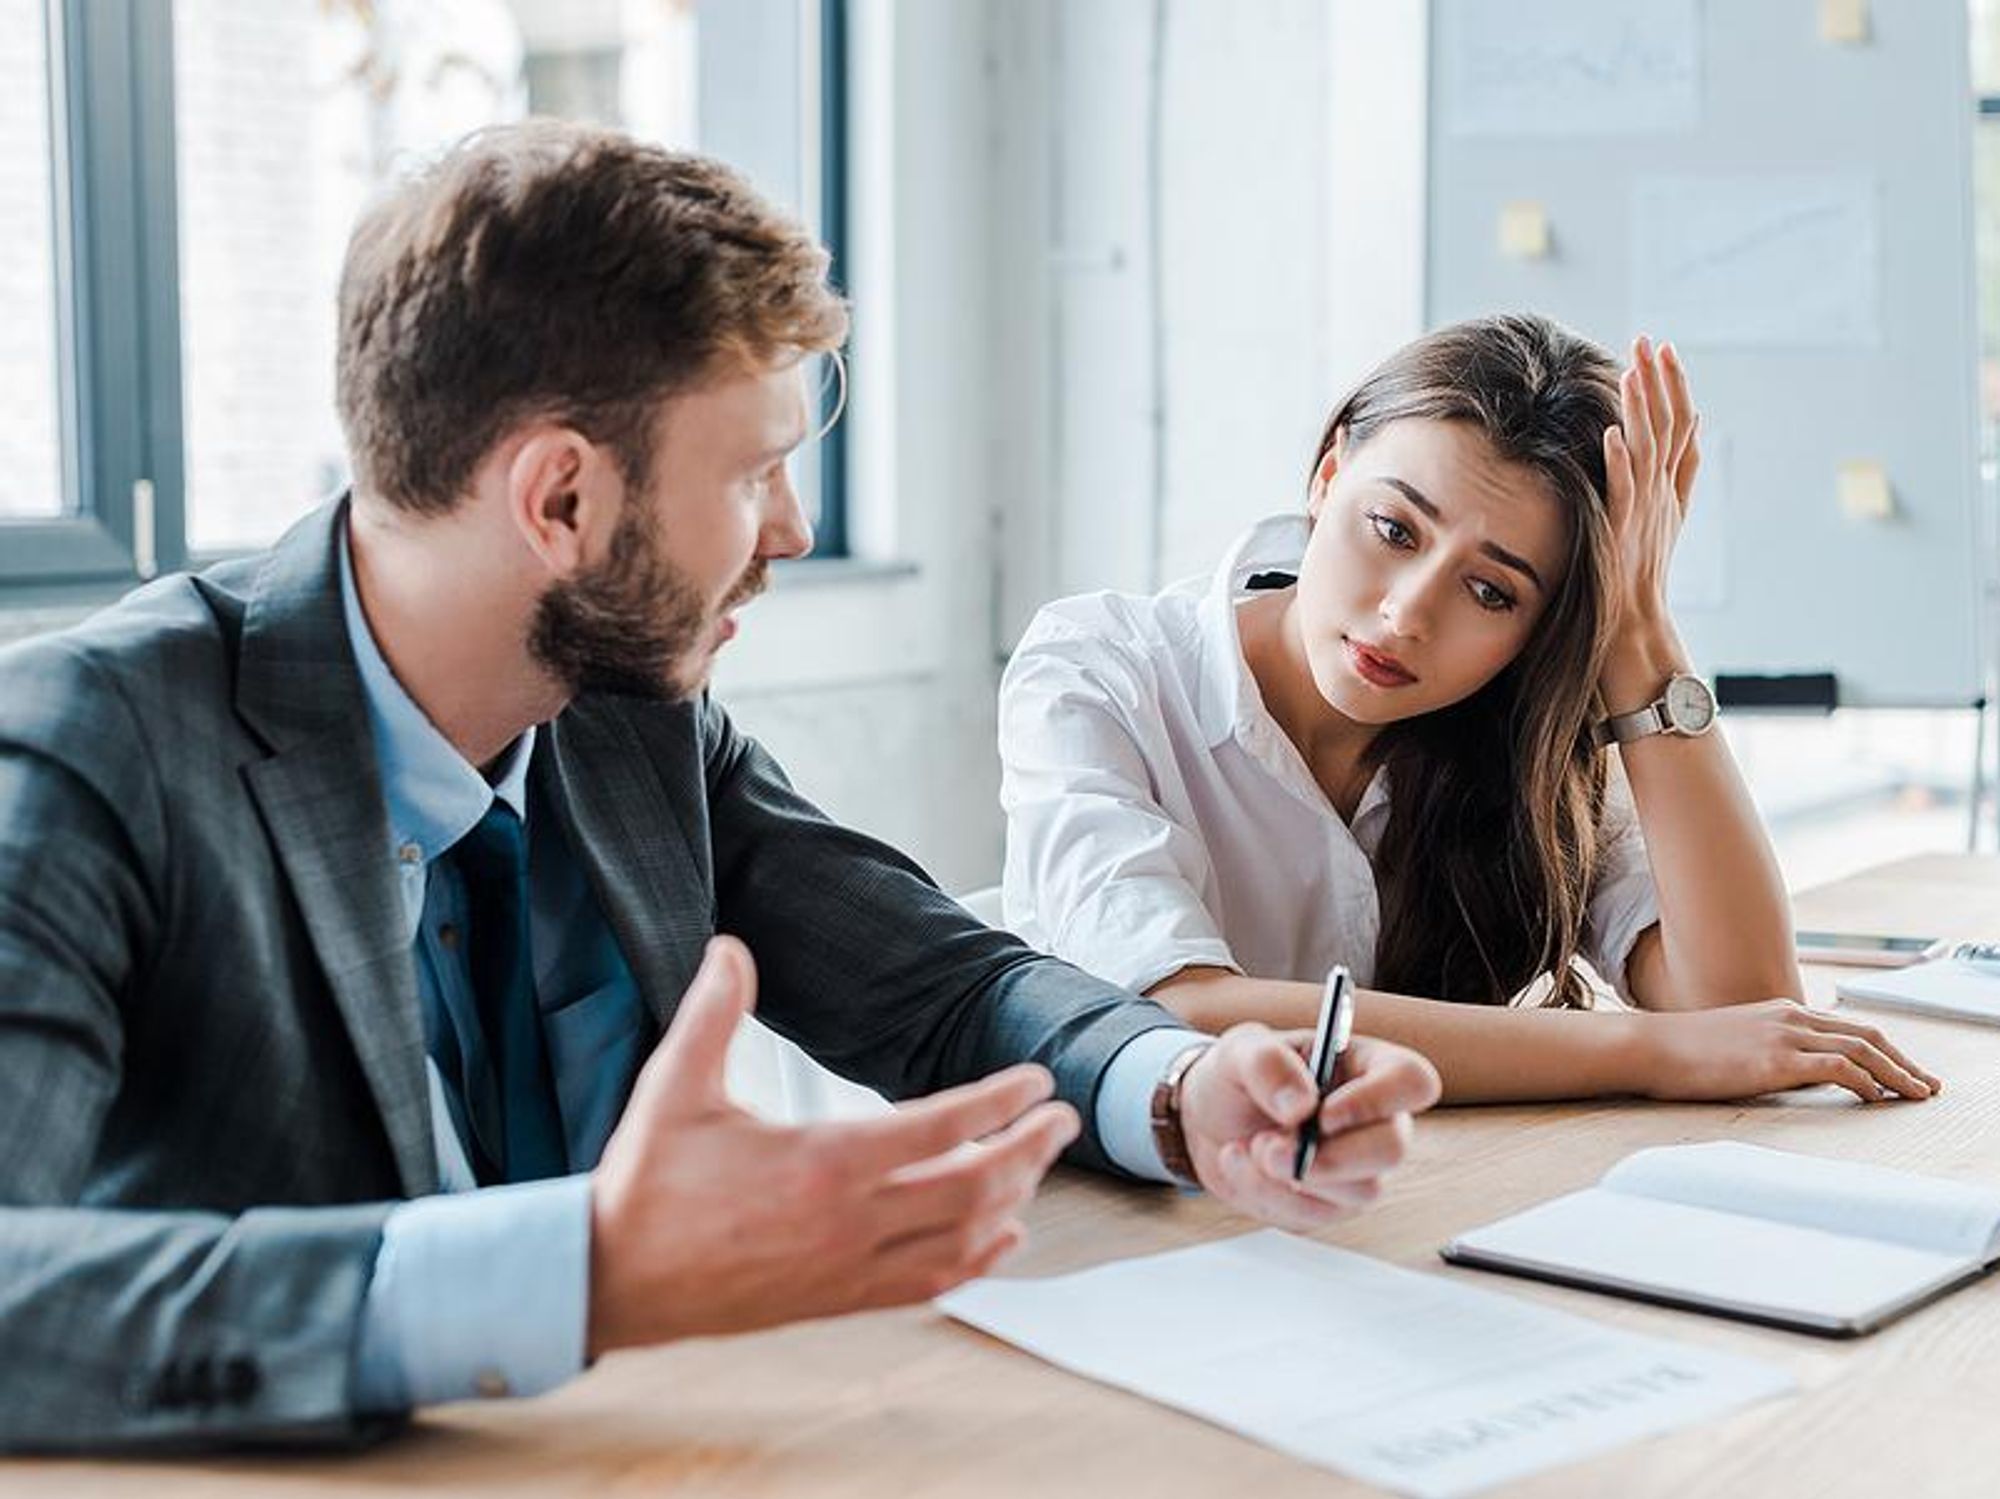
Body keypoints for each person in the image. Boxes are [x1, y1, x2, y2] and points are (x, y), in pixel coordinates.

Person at [0, 121, 1441, 1452]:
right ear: (559, 499)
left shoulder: (629, 711)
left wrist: (1181, 1089)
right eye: (756, 472)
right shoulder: (89, 748)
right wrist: (579, 1271)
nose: (797, 530)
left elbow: (940, 983)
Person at [1000, 313, 1939, 1106]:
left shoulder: (1525, 734)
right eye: (1393, 529)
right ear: (1330, 478)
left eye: (1492, 592)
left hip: (1380, 1216)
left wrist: (1638, 631)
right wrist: (1644, 1054)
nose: (1406, 612)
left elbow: (1747, 1007)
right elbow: (1181, 1013)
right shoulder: (1100, 668)